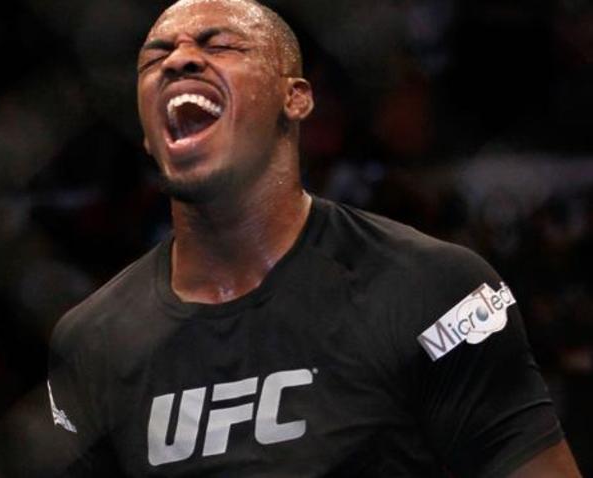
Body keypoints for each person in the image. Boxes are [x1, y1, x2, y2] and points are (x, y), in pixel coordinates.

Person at [47, 0, 582, 476]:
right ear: (145, 132)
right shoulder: (93, 341)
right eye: (153, 58)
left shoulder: (429, 289)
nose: (178, 60)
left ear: (296, 98)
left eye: (222, 44)